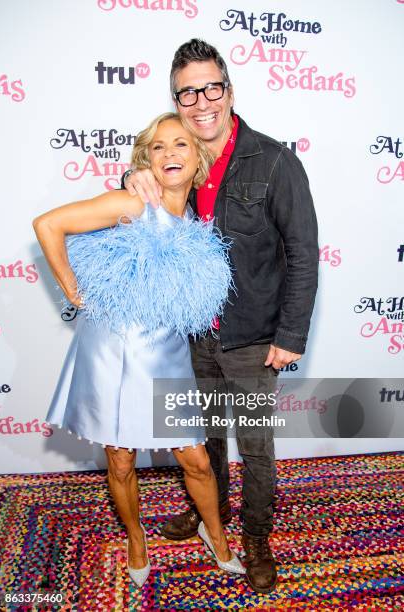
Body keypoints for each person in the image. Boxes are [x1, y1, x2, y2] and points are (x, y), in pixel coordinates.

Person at [123, 39, 319, 594]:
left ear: (229, 90)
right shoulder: (177, 153)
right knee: (202, 439)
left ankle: (256, 536)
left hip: (255, 338)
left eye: (212, 87)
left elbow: (303, 252)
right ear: (177, 99)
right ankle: (213, 516)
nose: (201, 100)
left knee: (254, 447)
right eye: (188, 91)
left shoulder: (274, 160)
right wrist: (129, 181)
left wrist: (291, 335)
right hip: (189, 334)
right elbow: (146, 188)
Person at [33, 113, 245, 588]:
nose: (170, 154)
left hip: (165, 354)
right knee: (121, 459)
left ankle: (217, 537)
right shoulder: (132, 202)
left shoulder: (196, 220)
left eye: (181, 145)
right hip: (114, 351)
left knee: (195, 459)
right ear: (147, 159)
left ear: (199, 160)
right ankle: (135, 539)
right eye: (159, 147)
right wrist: (70, 285)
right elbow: (48, 224)